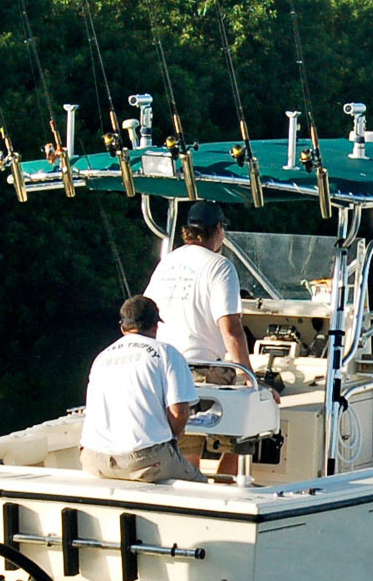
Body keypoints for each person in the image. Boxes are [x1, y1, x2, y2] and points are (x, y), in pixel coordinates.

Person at [78, 294, 206, 483]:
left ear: (123, 327)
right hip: (143, 462)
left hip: (93, 460)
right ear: (155, 326)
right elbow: (179, 414)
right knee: (200, 485)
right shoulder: (167, 353)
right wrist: (170, 439)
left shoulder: (101, 358)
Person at [145, 201, 250, 382]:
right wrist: (247, 374)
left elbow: (145, 314)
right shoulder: (220, 265)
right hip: (198, 371)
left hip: (161, 368)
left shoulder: (167, 262)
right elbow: (231, 328)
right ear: (218, 228)